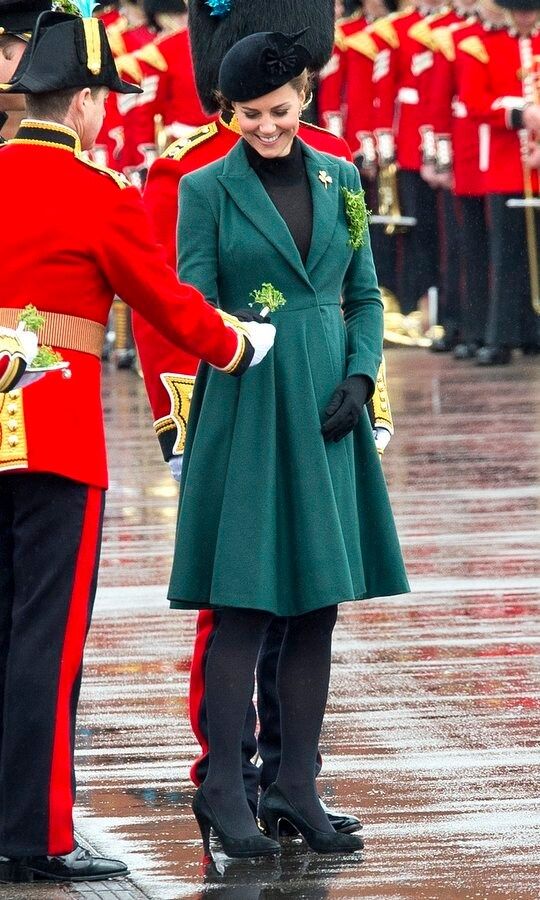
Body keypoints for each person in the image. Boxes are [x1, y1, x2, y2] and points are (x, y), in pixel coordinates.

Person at [0, 10, 274, 884]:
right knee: (48, 642)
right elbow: (166, 303)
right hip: (56, 436)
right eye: (101, 101)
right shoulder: (97, 192)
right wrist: (239, 346)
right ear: (80, 103)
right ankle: (38, 833)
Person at [135, 0, 394, 837]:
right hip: (248, 405)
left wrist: (360, 379)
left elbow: (362, 293)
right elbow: (192, 301)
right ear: (227, 113)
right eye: (251, 117)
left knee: (316, 607)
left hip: (327, 410)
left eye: (281, 112)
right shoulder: (206, 187)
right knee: (243, 606)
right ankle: (222, 789)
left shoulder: (342, 176)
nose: (269, 128)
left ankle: (295, 788)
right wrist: (235, 358)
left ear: (305, 97)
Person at [460, 0, 540, 363]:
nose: (526, 16)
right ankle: (503, 335)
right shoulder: (484, 45)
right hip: (507, 165)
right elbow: (475, 101)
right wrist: (518, 114)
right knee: (507, 256)